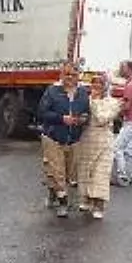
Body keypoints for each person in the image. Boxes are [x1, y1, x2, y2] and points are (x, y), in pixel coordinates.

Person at [37, 62, 90, 218]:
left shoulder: (82, 93)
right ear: (61, 75)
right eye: (66, 74)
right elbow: (41, 112)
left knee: (68, 172)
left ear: (78, 76)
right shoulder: (52, 91)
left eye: (73, 75)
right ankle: (63, 202)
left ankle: (53, 192)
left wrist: (83, 119)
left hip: (74, 139)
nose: (69, 78)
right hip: (53, 137)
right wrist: (61, 119)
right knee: (57, 170)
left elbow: (87, 113)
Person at [76, 72, 121, 219]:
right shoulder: (85, 99)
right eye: (93, 83)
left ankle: (99, 204)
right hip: (87, 139)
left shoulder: (113, 103)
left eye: (100, 83)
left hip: (104, 141)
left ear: (105, 86)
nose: (96, 86)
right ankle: (86, 199)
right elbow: (80, 115)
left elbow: (102, 118)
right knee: (85, 170)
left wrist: (94, 102)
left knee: (101, 173)